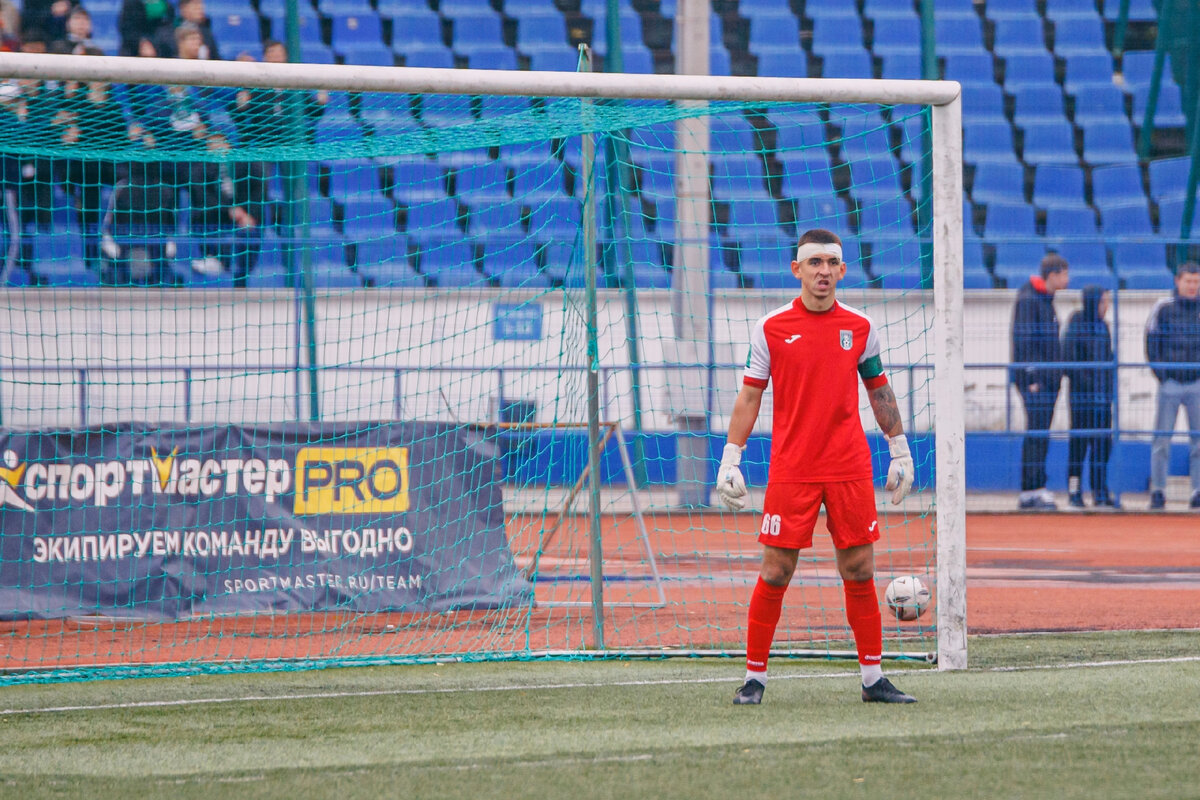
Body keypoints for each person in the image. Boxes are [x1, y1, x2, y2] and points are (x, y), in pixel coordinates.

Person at [716, 228, 917, 706]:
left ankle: (873, 680)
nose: (823, 271)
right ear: (797, 270)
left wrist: (900, 447)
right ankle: (754, 679)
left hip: (848, 466)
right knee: (776, 571)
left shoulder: (862, 327)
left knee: (859, 568)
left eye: (831, 263)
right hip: (793, 468)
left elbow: (879, 390)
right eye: (814, 263)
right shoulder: (771, 327)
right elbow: (750, 395)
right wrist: (731, 456)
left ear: (843, 270)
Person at [1010, 253, 1069, 510]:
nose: (1068, 279)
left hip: (1048, 380)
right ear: (1053, 275)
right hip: (1036, 381)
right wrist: (1032, 376)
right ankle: (1031, 490)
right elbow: (1024, 340)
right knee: (1036, 432)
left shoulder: (1045, 300)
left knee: (1040, 432)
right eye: (1065, 274)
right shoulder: (1029, 299)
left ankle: (1036, 487)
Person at [1144, 261, 1200, 510]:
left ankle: (1197, 491)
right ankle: (1158, 490)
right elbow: (1150, 340)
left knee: (1198, 441)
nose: (1192, 286)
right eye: (1188, 281)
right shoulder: (1163, 307)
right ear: (1178, 281)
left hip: (1197, 383)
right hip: (1171, 383)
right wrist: (1162, 375)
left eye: (1197, 282)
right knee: (1162, 439)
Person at [1062, 285, 1117, 509]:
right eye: (1103, 301)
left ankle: (1100, 491)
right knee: (1079, 446)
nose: (1107, 306)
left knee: (1103, 445)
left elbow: (1109, 362)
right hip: (1082, 398)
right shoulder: (1075, 323)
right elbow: (1070, 361)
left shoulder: (1104, 327)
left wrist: (1108, 391)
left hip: (1103, 400)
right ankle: (1074, 492)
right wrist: (1091, 385)